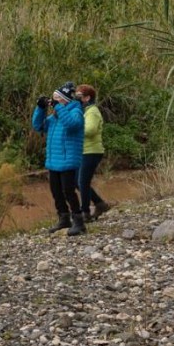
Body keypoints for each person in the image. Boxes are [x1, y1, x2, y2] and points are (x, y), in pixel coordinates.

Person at [32, 82, 85, 236]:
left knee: (69, 191)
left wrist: (58, 107)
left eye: (56, 99)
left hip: (68, 160)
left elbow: (71, 125)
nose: (53, 102)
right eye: (52, 99)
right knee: (56, 191)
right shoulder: (54, 117)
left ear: (65, 100)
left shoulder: (76, 112)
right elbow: (38, 126)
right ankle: (63, 219)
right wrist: (40, 108)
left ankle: (79, 222)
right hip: (54, 161)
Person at [76, 84, 111, 224]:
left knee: (82, 181)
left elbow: (90, 130)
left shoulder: (92, 111)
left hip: (92, 151)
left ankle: (85, 213)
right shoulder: (84, 111)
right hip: (83, 151)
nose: (76, 99)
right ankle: (99, 204)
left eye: (79, 96)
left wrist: (75, 128)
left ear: (87, 97)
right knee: (76, 182)